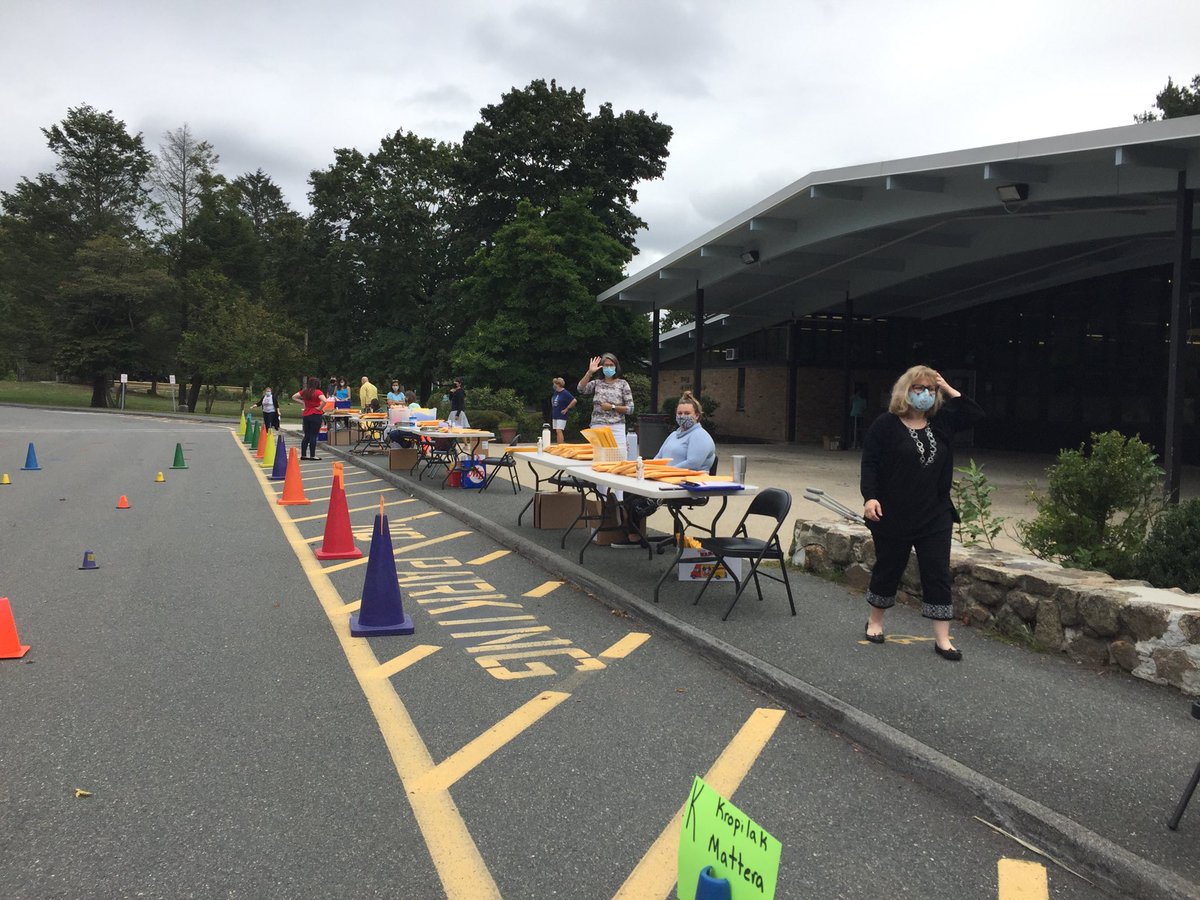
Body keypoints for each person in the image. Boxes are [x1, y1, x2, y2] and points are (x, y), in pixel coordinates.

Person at [860, 366, 984, 660]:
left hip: (935, 513)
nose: (926, 394)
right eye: (919, 388)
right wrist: (870, 497)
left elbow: (975, 414)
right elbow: (870, 463)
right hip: (893, 513)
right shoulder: (886, 425)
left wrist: (949, 388)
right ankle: (875, 621)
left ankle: (942, 639)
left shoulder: (941, 422)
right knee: (889, 567)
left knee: (937, 572)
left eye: (931, 389)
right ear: (906, 390)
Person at [616, 391, 716, 548]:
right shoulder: (674, 435)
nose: (682, 416)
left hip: (687, 484)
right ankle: (633, 534)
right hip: (665, 479)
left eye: (687, 413)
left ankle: (635, 531)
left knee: (638, 500)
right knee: (629, 490)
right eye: (679, 413)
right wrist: (646, 469)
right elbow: (658, 458)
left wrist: (662, 473)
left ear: (697, 416)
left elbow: (693, 464)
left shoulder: (700, 436)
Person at [577, 353, 634, 453]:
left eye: (611, 365)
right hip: (597, 426)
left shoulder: (623, 384)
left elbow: (630, 409)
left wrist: (612, 407)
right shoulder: (597, 383)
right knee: (598, 456)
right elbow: (580, 389)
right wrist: (589, 372)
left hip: (617, 427)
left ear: (616, 366)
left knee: (618, 455)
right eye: (606, 365)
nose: (609, 367)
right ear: (602, 367)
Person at [291, 377, 327, 461]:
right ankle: (312, 455)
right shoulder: (318, 392)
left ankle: (303, 455)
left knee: (306, 435)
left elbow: (294, 397)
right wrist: (320, 408)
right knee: (313, 435)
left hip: (306, 414)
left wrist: (303, 402)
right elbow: (325, 400)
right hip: (316, 414)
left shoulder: (305, 392)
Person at [549, 377, 576, 443]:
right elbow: (553, 399)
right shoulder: (556, 392)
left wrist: (567, 408)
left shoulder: (565, 392)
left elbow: (574, 400)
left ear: (558, 384)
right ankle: (559, 445)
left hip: (561, 414)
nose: (554, 385)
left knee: (559, 430)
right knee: (557, 431)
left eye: (555, 383)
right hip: (555, 414)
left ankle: (561, 445)